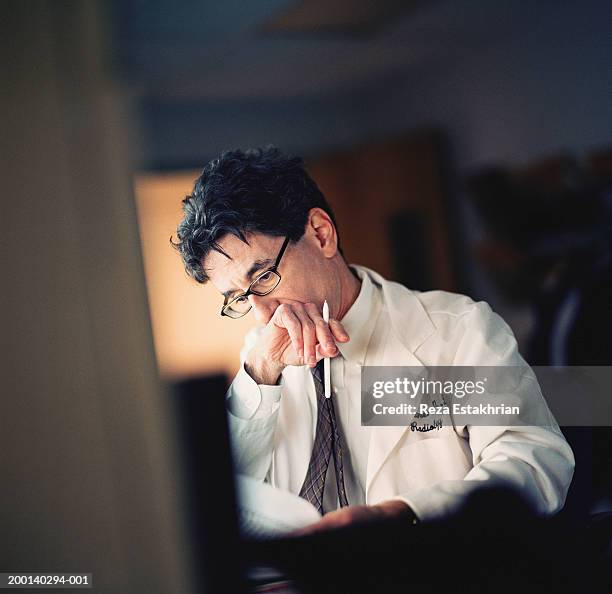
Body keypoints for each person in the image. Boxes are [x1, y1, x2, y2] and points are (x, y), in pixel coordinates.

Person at [172, 146, 575, 531]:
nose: (263, 313)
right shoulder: (262, 362)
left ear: (320, 233)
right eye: (239, 297)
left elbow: (533, 464)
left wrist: (405, 515)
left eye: (263, 277)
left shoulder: (457, 330)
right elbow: (221, 500)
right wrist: (260, 374)